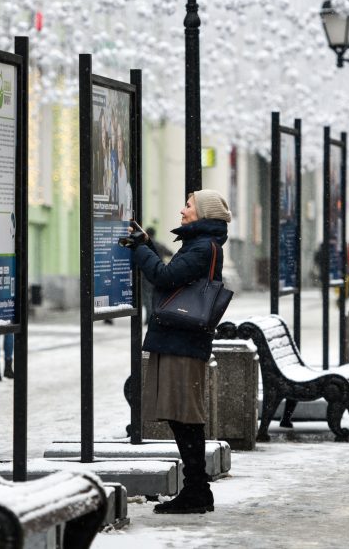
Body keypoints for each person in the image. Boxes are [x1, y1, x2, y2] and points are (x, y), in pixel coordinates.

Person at [126, 189, 231, 514]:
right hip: (180, 339)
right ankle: (197, 489)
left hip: (181, 340)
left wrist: (142, 250)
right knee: (180, 415)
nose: (183, 210)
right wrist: (147, 245)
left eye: (188, 206)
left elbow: (164, 276)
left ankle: (196, 490)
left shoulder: (202, 247)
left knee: (185, 415)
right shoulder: (200, 245)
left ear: (202, 213)